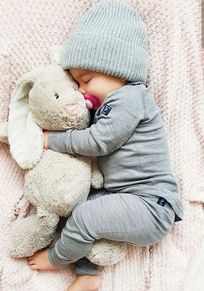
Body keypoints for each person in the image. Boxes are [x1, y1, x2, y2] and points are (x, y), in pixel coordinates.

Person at [26, 0, 184, 290]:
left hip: (151, 206)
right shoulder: (112, 103)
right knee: (84, 207)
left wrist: (53, 140)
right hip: (129, 197)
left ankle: (58, 257)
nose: (82, 90)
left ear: (117, 68)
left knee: (86, 216)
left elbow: (100, 141)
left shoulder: (129, 98)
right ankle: (88, 273)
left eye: (86, 80)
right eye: (77, 84)